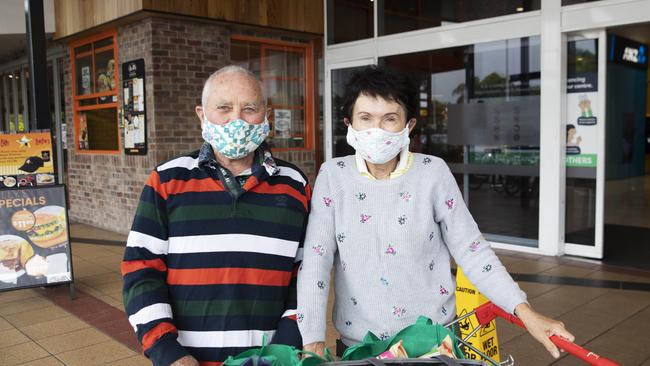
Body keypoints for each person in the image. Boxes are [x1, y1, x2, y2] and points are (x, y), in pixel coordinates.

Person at [296, 66, 574, 360]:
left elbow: (472, 250)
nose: (376, 130)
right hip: (360, 345)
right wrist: (312, 339)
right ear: (348, 123)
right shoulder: (333, 176)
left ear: (409, 124)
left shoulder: (433, 172)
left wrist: (525, 312)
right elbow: (316, 259)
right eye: (365, 118)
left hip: (433, 343)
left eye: (389, 119)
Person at [122, 65, 310, 366]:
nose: (236, 120)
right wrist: (167, 351)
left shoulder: (294, 185)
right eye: (224, 108)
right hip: (186, 359)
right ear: (202, 114)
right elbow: (141, 270)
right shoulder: (167, 181)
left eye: (249, 108)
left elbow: (306, 274)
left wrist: (286, 345)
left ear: (267, 114)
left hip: (270, 358)